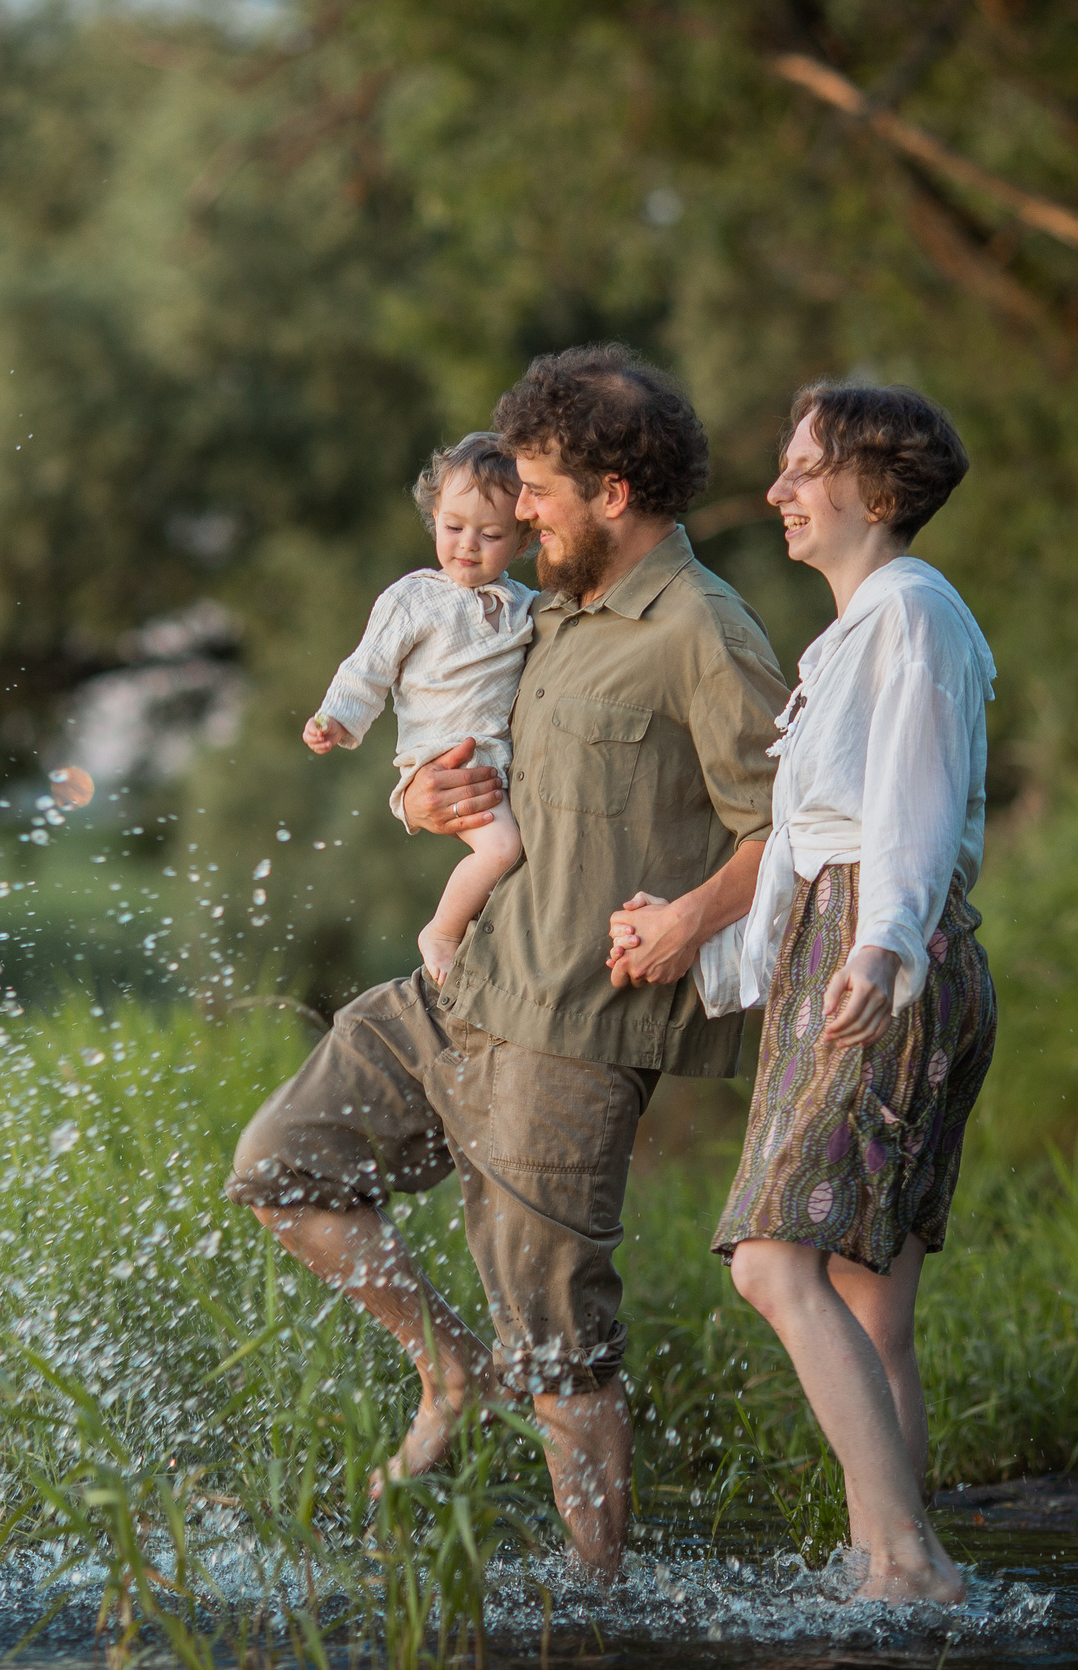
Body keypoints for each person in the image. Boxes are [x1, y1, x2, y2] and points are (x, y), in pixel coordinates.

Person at [227, 344, 789, 1579]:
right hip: (452, 991)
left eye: (537, 487)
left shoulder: (705, 632)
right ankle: (445, 1367)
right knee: (283, 1168)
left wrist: (692, 918)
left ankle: (599, 1612)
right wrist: (415, 800)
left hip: (571, 1033)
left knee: (559, 1340)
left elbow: (791, 828)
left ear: (615, 493)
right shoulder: (545, 612)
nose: (515, 507)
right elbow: (455, 748)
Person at [629, 381, 995, 1604]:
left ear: (872, 489)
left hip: (884, 949)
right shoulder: (851, 632)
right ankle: (883, 1568)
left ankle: (906, 1560)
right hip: (846, 945)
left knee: (769, 1260)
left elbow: (916, 802)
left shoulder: (911, 612)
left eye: (800, 470)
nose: (776, 492)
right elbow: (799, 842)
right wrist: (710, 949)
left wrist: (882, 946)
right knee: (863, 1302)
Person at [303, 433, 536, 984]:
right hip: (443, 759)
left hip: (499, 760)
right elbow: (367, 668)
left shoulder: (526, 606)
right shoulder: (413, 599)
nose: (468, 545)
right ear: (435, 515)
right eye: (454, 527)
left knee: (522, 851)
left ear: (524, 540)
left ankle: (498, 958)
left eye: (492, 533)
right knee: (504, 847)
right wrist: (334, 719)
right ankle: (442, 930)